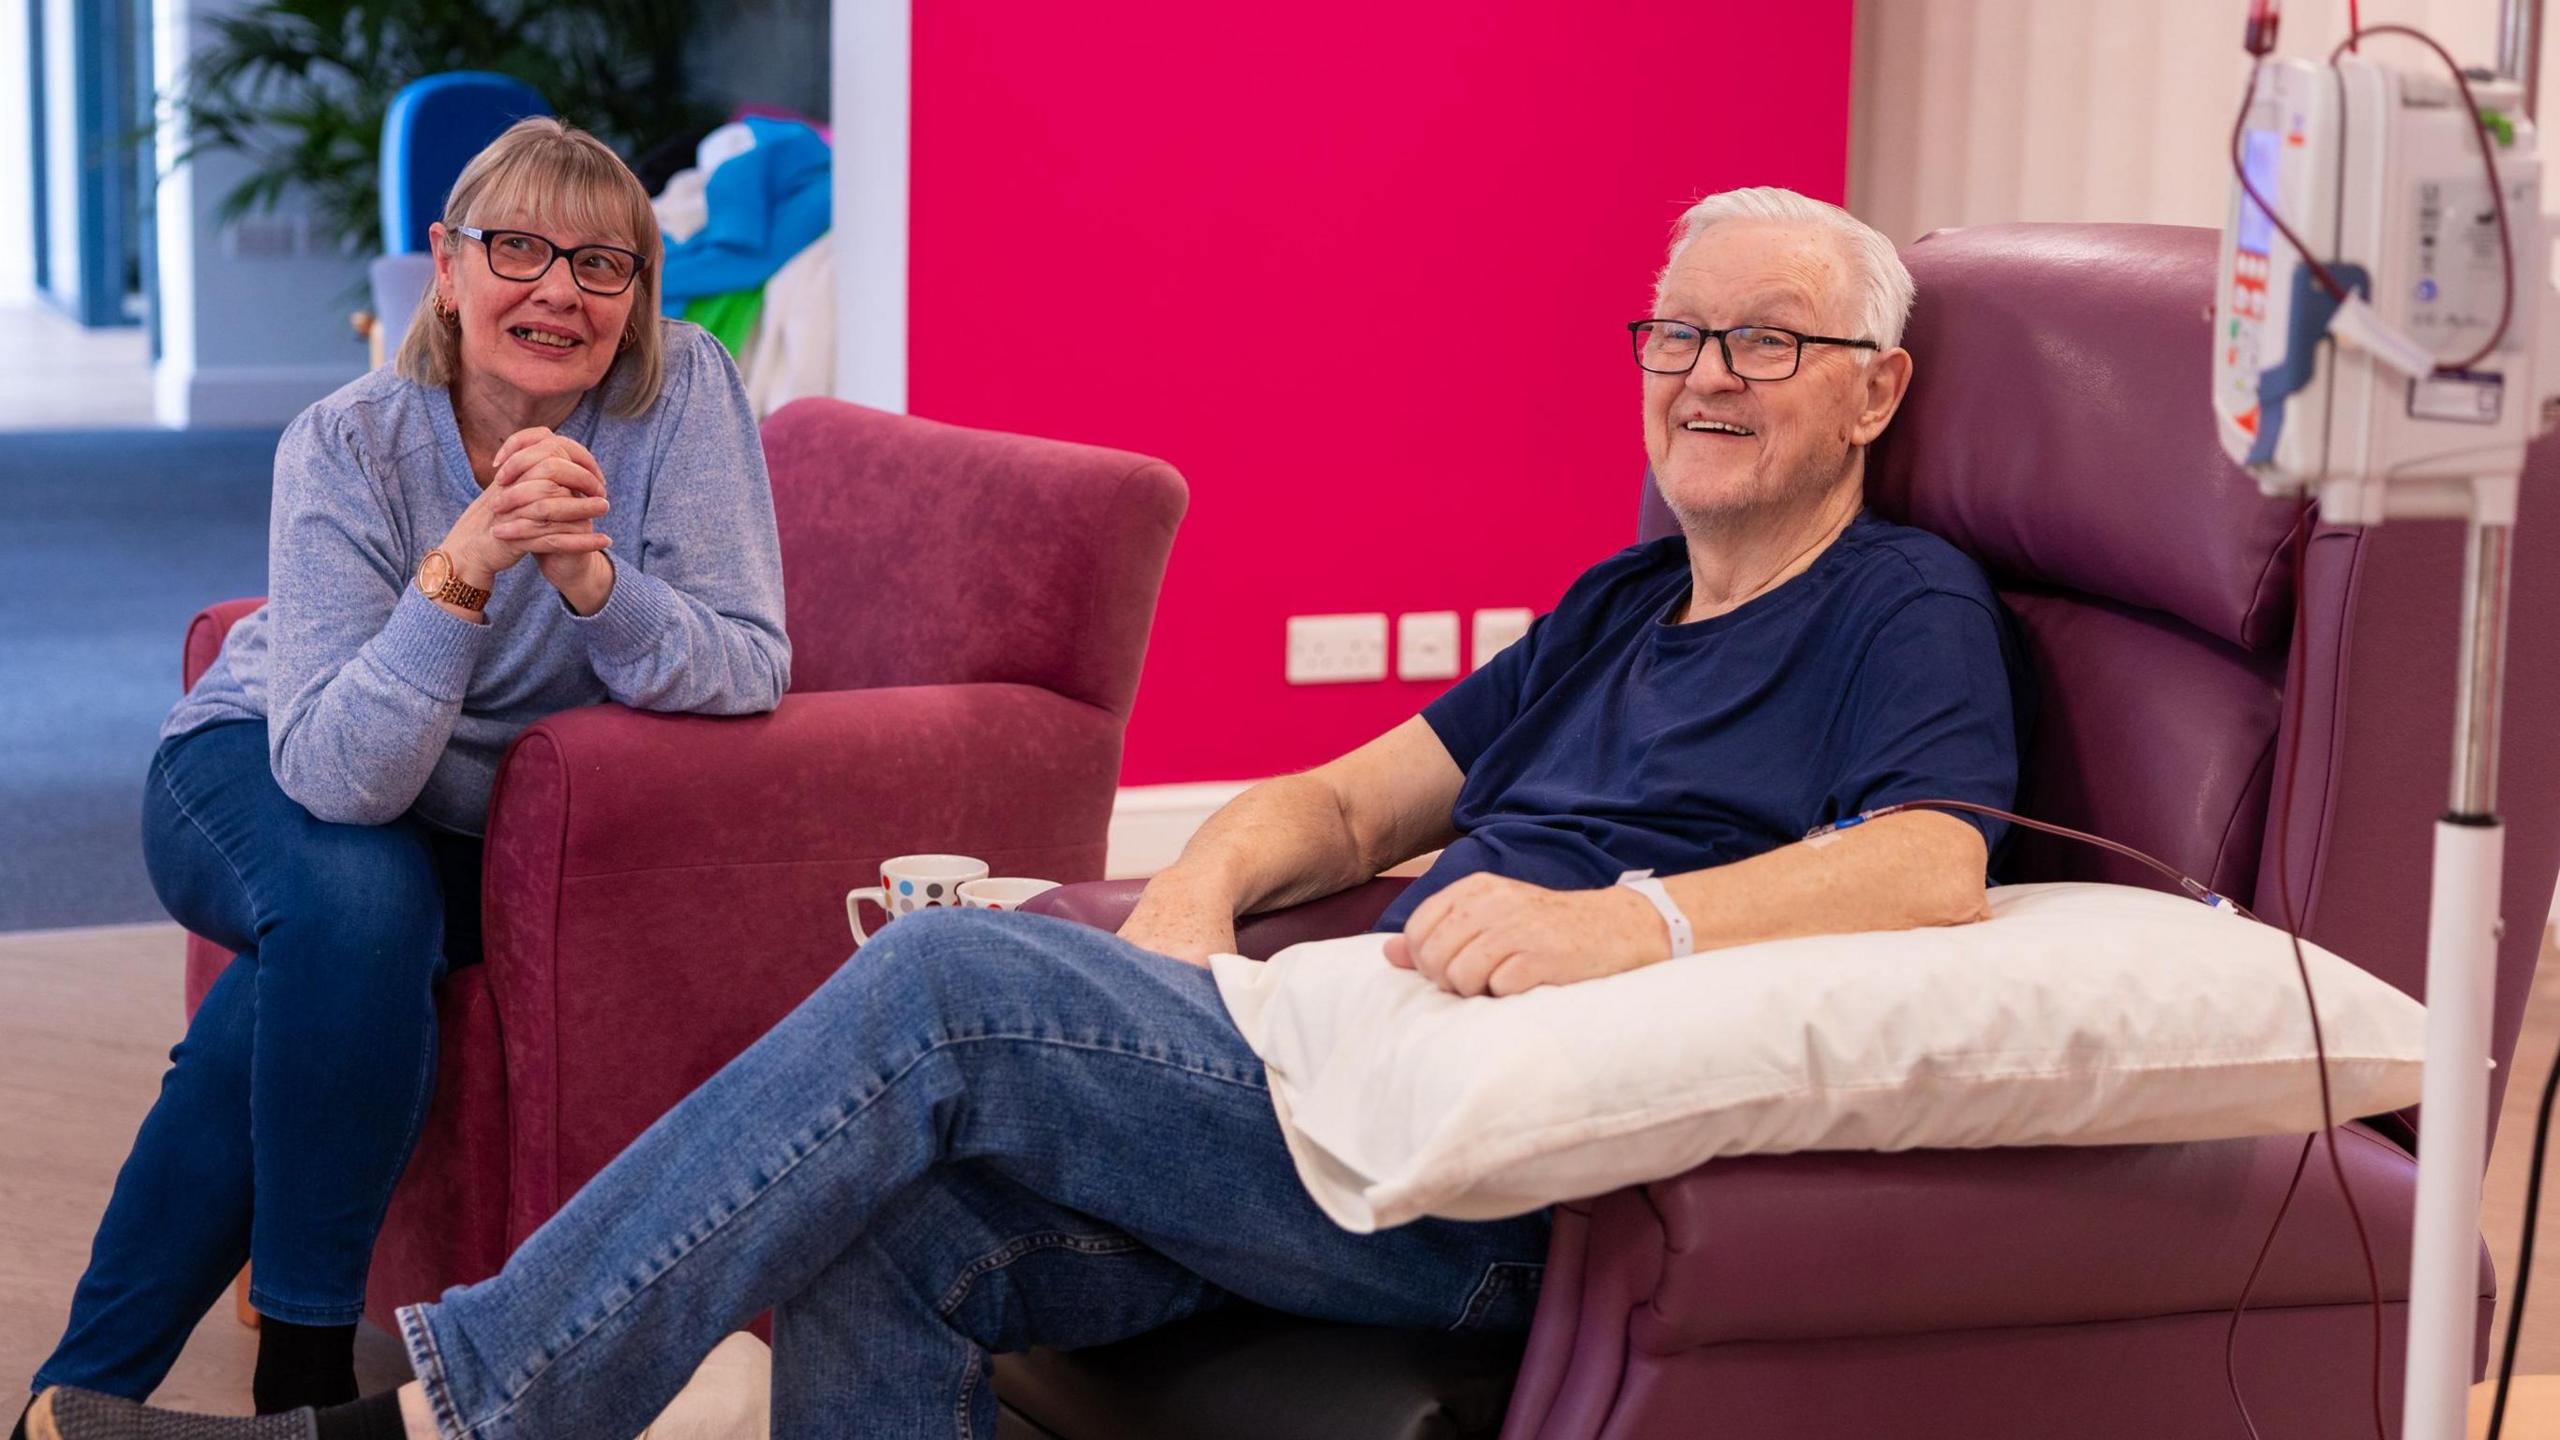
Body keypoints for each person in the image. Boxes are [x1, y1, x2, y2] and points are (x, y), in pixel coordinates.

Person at [27, 186, 2022, 1440]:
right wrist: (1204, 897)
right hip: (1357, 1068)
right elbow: (1345, 797)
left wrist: (1629, 926)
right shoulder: (1617, 599)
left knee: (947, 981)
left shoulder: (1898, 601)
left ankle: (456, 1403)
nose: (1701, 372)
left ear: (1871, 391)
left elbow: (1934, 863)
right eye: (1675, 330)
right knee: (888, 1236)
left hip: (1502, 1181)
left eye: (1766, 338)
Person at [17, 117, 790, 1436]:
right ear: (446, 264)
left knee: (299, 975)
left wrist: (597, 585)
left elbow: (749, 667)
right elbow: (336, 771)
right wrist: (466, 567)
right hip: (262, 763)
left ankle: (71, 1401)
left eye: (604, 266)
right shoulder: (349, 441)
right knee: (357, 902)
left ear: (639, 293)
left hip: (486, 818)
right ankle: (307, 1369)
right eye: (519, 250)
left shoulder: (684, 395)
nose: (560, 290)